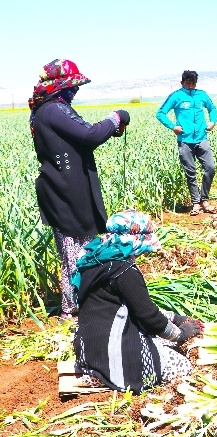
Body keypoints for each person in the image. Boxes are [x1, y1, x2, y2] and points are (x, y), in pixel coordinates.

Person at [28, 59, 130, 317]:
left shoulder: (52, 108)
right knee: (74, 251)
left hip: (66, 187)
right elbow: (89, 135)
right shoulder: (53, 110)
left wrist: (112, 129)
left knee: (81, 246)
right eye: (72, 86)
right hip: (63, 191)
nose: (76, 91)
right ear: (60, 86)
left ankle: (85, 302)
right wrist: (115, 118)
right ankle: (73, 309)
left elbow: (80, 138)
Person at [70, 210, 203, 393]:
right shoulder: (124, 270)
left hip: (88, 348)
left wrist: (176, 317)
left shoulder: (94, 259)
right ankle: (109, 376)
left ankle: (98, 371)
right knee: (182, 366)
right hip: (110, 350)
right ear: (136, 240)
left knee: (162, 343)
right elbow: (148, 316)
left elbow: (137, 306)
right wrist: (181, 333)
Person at [156, 70, 217, 216]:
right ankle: (196, 203)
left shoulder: (202, 94)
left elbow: (212, 108)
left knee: (210, 168)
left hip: (202, 138)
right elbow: (160, 113)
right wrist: (173, 127)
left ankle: (205, 199)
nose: (191, 86)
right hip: (185, 141)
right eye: (188, 83)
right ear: (182, 82)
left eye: (193, 83)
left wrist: (212, 121)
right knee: (191, 173)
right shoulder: (176, 96)